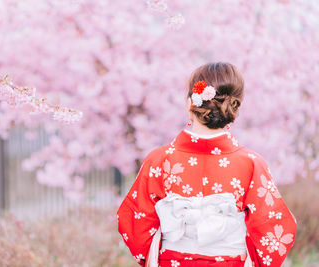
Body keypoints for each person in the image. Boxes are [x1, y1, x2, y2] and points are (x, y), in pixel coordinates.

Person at [116, 62, 297, 267]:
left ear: (189, 103)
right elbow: (274, 229)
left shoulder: (159, 160)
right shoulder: (252, 164)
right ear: (234, 107)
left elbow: (133, 224)